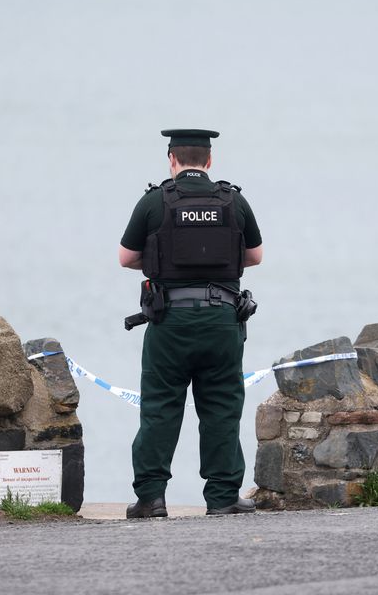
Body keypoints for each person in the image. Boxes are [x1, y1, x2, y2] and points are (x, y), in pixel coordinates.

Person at [118, 128, 264, 518]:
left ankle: (151, 499)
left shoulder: (154, 202)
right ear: (209, 161)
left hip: (169, 324)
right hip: (221, 322)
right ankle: (222, 498)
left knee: (160, 408)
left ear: (172, 159)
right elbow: (255, 256)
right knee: (220, 407)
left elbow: (125, 258)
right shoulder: (234, 201)